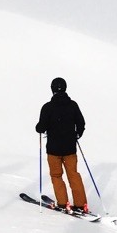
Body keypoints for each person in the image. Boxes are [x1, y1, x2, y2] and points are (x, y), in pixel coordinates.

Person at [35, 77, 88, 212]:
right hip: (70, 148)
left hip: (53, 149)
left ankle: (63, 203)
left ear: (52, 89)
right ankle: (81, 204)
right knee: (73, 174)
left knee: (56, 175)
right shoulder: (73, 105)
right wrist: (77, 134)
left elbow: (41, 127)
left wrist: (38, 128)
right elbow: (81, 123)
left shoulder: (47, 107)